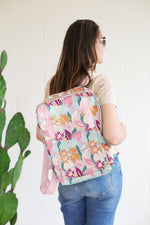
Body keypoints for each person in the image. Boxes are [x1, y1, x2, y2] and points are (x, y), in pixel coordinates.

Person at [36, 19, 127, 225]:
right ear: (88, 45)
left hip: (69, 177)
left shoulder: (54, 84)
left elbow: (42, 133)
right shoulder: (101, 83)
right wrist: (124, 129)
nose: (104, 45)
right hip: (101, 175)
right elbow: (112, 136)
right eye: (101, 40)